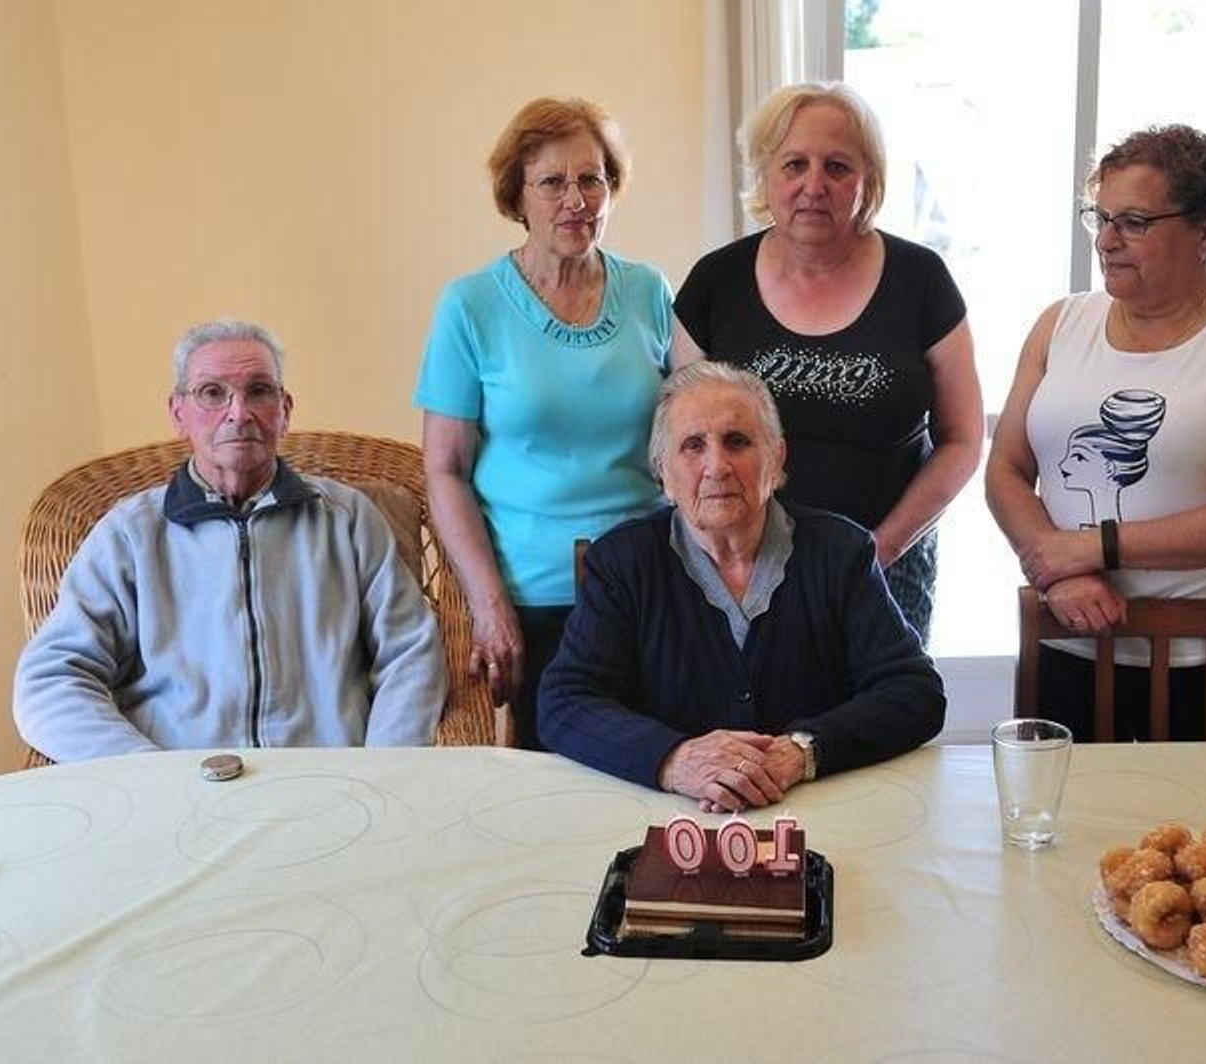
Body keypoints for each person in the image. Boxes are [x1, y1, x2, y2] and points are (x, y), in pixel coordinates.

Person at [985, 124, 1206, 741]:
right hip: (1066, 638)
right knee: (1063, 830)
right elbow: (1005, 468)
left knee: (1189, 837)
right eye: (1101, 217)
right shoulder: (1061, 322)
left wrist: (1096, 547)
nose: (1107, 241)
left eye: (1134, 222)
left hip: (1198, 656)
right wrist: (1060, 569)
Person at [15, 320, 447, 761]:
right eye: (212, 392)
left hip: (328, 786)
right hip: (178, 796)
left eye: (259, 390)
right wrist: (147, 773)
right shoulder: (130, 533)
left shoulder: (347, 517)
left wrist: (383, 772)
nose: (238, 412)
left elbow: (410, 652)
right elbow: (50, 681)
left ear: (285, 410)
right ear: (178, 413)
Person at [538, 362, 945, 812]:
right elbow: (564, 702)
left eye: (738, 442)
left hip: (815, 815)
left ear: (776, 458)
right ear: (662, 474)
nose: (717, 466)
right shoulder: (622, 563)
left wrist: (801, 751)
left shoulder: (840, 551)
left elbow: (915, 690)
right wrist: (674, 759)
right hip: (668, 822)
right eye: (693, 446)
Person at [416, 97, 687, 750]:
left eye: (591, 179)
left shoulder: (649, 290)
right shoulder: (470, 305)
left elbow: (693, 425)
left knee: (663, 771)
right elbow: (444, 469)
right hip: (530, 597)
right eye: (553, 182)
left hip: (651, 583)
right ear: (518, 195)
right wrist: (488, 604)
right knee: (556, 784)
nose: (576, 199)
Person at [673, 81, 984, 645]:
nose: (813, 185)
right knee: (752, 731)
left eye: (837, 167)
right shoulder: (714, 284)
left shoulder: (922, 280)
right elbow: (683, 442)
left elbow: (963, 440)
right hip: (741, 572)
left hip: (889, 565)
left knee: (881, 726)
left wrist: (880, 549)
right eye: (795, 164)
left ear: (868, 177)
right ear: (766, 174)